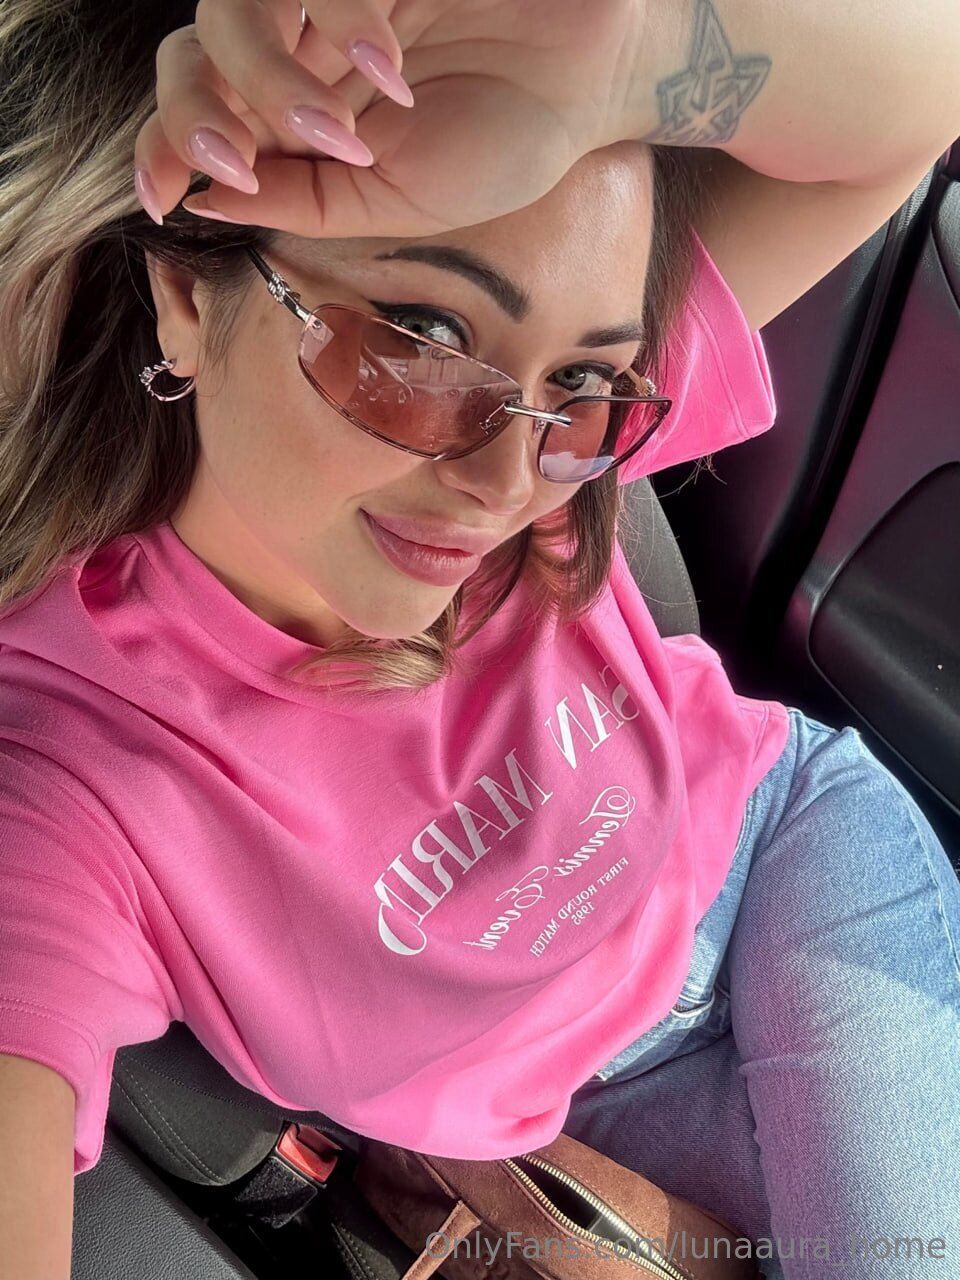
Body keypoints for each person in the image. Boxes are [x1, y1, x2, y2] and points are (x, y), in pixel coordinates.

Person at [0, 2, 957, 1277]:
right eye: (423, 342)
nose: (507, 483)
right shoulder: (72, 768)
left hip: (777, 855)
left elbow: (924, 93)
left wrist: (625, 65)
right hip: (574, 1114)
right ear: (185, 295)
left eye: (584, 384)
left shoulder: (551, 456)